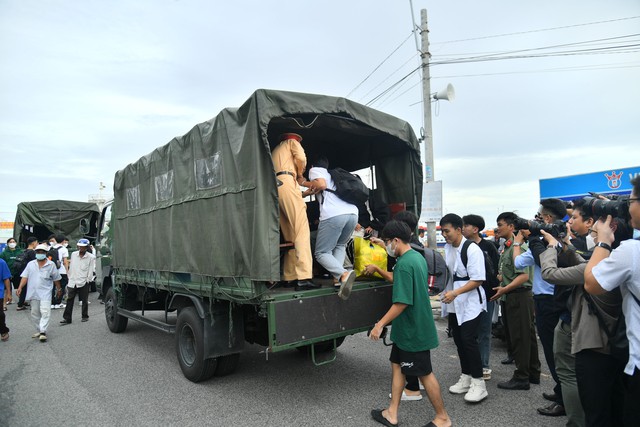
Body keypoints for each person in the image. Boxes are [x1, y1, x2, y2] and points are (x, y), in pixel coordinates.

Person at [540, 222, 628, 427]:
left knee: (569, 376)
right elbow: (583, 263)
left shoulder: (598, 266)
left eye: (594, 233)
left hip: (589, 336)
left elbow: (550, 274)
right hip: (613, 336)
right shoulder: (619, 260)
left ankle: (577, 422)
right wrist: (567, 246)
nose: (591, 237)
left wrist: (551, 248)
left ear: (609, 234)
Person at [369, 220, 451, 427]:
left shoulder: (405, 263)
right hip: (407, 330)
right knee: (397, 367)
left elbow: (402, 302)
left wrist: (380, 325)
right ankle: (391, 413)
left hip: (414, 330)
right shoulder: (416, 257)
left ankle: (442, 418)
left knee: (424, 374)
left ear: (395, 241)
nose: (387, 246)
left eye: (387, 242)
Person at [584, 175, 640, 427]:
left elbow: (592, 282)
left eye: (631, 200)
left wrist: (604, 240)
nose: (628, 207)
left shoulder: (631, 252)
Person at [512, 198, 566, 417]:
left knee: (554, 353)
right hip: (562, 298)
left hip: (546, 301)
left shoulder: (540, 243)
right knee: (561, 351)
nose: (535, 219)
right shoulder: (565, 237)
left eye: (539, 216)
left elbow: (517, 263)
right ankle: (560, 390)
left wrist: (519, 241)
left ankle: (563, 399)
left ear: (547, 218)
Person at [440, 213, 488, 403]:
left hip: (470, 302)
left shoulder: (472, 249)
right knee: (459, 340)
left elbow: (478, 279)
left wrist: (455, 293)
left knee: (469, 340)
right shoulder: (448, 248)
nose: (444, 235)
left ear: (459, 229)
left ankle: (479, 383)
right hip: (454, 301)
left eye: (447, 230)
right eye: (442, 231)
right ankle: (466, 376)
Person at [491, 212, 541, 390]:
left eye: (501, 224)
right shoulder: (508, 246)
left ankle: (522, 376)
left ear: (512, 227)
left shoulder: (520, 247)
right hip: (512, 294)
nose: (498, 228)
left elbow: (523, 276)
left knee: (521, 337)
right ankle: (533, 372)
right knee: (525, 336)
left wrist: (504, 288)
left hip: (519, 295)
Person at [303, 156, 358, 299]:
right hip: (352, 213)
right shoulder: (334, 175)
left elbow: (320, 185)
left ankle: (343, 275)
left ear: (312, 166)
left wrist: (303, 182)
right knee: (339, 245)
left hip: (334, 214)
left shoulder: (316, 170)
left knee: (321, 253)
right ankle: (338, 279)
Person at [270, 133, 315, 291]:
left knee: (290, 235)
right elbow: (301, 157)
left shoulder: (275, 150)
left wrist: (303, 194)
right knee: (301, 232)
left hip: (277, 187)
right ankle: (304, 277)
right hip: (289, 181)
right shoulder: (291, 142)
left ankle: (289, 277)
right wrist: (301, 173)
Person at [462, 214, 499, 381]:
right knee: (469, 333)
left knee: (484, 331)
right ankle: (471, 366)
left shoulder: (488, 246)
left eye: (466, 225)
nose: (462, 228)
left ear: (475, 229)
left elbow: (496, 270)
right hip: (467, 296)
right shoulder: (462, 246)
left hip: (486, 295)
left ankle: (484, 365)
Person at [16, 243, 62, 342]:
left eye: (42, 252)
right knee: (34, 313)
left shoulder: (51, 264)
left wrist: (59, 289)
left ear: (45, 253)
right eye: (38, 252)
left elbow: (56, 279)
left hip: (45, 293)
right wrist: (20, 287)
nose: (40, 254)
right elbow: (25, 277)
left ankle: (43, 331)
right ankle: (40, 329)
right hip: (33, 293)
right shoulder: (30, 264)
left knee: (45, 312)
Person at [60, 239, 95, 324]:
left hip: (83, 280)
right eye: (80, 247)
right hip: (73, 280)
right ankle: (67, 318)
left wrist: (88, 280)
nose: (81, 248)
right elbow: (72, 266)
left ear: (86, 247)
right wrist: (69, 276)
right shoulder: (74, 254)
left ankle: (85, 316)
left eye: (83, 247)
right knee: (69, 299)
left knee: (84, 300)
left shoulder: (90, 257)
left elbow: (91, 270)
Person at [15, 237, 37, 311]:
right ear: (34, 243)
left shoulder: (24, 251)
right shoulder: (32, 252)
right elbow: (36, 262)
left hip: (23, 272)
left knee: (23, 288)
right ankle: (21, 304)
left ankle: (21, 302)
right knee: (29, 288)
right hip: (30, 273)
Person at [1, 237, 23, 308]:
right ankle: (5, 302)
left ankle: (22, 301)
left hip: (17, 273)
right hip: (7, 273)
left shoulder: (20, 252)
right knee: (6, 289)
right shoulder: (4, 253)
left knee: (19, 287)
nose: (12, 243)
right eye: (10, 242)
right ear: (7, 244)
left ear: (16, 243)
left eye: (13, 242)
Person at [49, 234, 69, 309]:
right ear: (63, 241)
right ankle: (58, 302)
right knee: (62, 286)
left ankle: (52, 303)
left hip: (52, 270)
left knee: (52, 287)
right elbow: (65, 261)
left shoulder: (51, 248)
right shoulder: (64, 249)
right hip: (61, 270)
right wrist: (67, 271)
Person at [0, 258, 10, 341]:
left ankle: (3, 330)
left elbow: (6, 278)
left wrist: (9, 293)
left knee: (0, 314)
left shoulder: (2, 262)